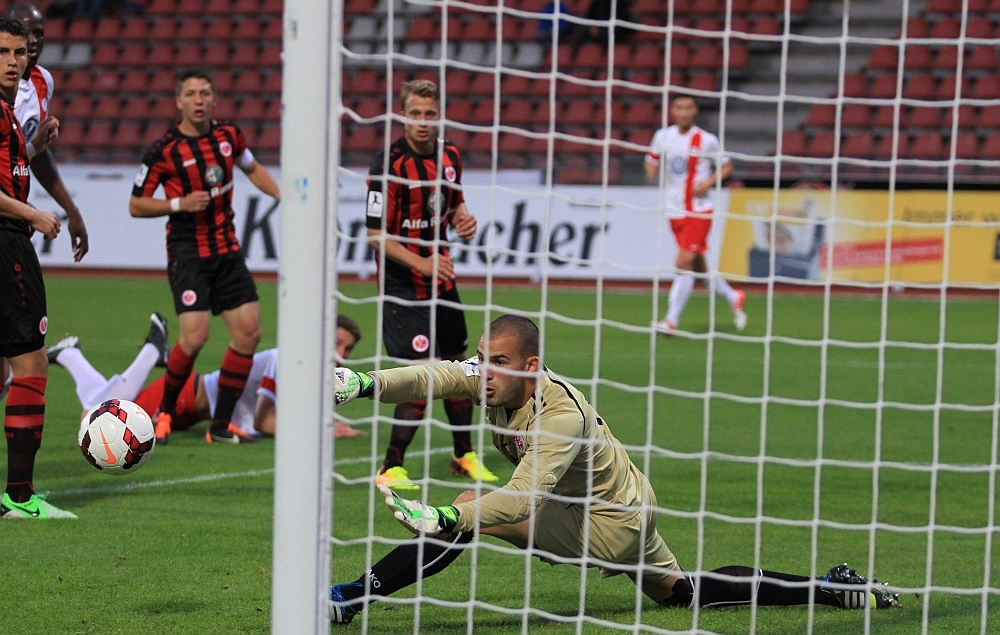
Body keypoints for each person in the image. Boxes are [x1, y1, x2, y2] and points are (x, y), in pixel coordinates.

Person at [327, 315, 899, 623]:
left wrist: (448, 515)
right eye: (483, 360)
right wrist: (364, 382)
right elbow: (431, 376)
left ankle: (351, 597)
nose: (485, 373)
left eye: (498, 363)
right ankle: (831, 589)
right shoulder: (494, 378)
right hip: (627, 500)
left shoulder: (559, 416)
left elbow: (522, 500)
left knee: (471, 509)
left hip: (608, 521)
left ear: (531, 365)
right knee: (679, 593)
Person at [129, 68, 281, 445]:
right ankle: (165, 412)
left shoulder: (229, 136)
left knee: (249, 333)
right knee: (195, 338)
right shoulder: (163, 151)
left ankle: (221, 425)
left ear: (214, 99)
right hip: (188, 255)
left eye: (205, 93)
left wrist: (285, 197)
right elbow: (136, 205)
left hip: (227, 251)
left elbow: (252, 167)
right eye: (191, 94)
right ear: (178, 101)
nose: (199, 100)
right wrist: (178, 204)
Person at [365, 79, 494, 490]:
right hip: (403, 286)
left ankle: (463, 454)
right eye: (415, 114)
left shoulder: (450, 154)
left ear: (439, 116)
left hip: (441, 280)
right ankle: (390, 466)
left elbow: (454, 204)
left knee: (459, 365)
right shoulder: (387, 166)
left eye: (430, 114)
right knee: (421, 375)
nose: (423, 122)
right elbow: (376, 236)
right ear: (403, 115)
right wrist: (422, 261)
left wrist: (463, 220)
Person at [41, 314, 365, 440]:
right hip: (185, 396)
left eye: (347, 348)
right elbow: (265, 420)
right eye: (337, 343)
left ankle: (69, 354)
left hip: (192, 411)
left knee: (102, 402)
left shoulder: (311, 374)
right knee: (95, 417)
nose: (342, 353)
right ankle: (153, 351)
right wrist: (321, 433)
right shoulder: (285, 360)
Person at [0, 15, 72, 519]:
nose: (12, 61)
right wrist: (33, 214)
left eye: (19, 53)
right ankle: (20, 497)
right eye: (2, 52)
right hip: (7, 242)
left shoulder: (9, 112)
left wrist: (33, 148)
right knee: (31, 363)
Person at [645, 95, 745, 335]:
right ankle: (734, 296)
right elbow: (651, 159)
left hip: (699, 210)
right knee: (698, 267)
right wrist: (651, 169)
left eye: (688, 107)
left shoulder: (707, 140)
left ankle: (670, 321)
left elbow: (727, 167)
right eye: (679, 107)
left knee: (683, 262)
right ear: (673, 111)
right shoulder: (662, 136)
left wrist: (708, 182)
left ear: (695, 111)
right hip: (674, 210)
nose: (684, 112)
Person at [5, 3, 88, 263]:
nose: (32, 40)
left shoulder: (43, 81)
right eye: (23, 32)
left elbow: (34, 156)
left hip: (12, 213)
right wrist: (30, 213)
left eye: (38, 33)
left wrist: (71, 210)